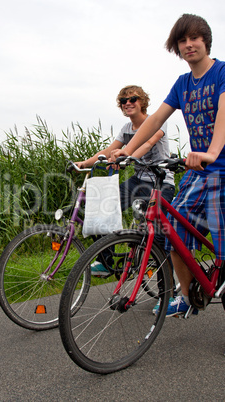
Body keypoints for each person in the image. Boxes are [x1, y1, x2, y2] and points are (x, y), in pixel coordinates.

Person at [111, 14, 225, 317]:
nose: (188, 45)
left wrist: (212, 152)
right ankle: (187, 296)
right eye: (182, 41)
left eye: (194, 38)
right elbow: (156, 120)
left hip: (221, 168)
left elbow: (223, 118)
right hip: (199, 172)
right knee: (172, 228)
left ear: (205, 41)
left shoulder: (222, 73)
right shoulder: (182, 84)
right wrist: (126, 153)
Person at [76, 85, 175, 294]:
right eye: (124, 101)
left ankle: (166, 292)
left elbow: (148, 143)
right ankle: (106, 261)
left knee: (158, 237)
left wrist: (126, 156)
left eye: (133, 99)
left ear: (142, 102)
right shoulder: (126, 128)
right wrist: (86, 163)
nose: (128, 103)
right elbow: (110, 149)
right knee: (102, 208)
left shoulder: (157, 121)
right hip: (138, 180)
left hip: (160, 182)